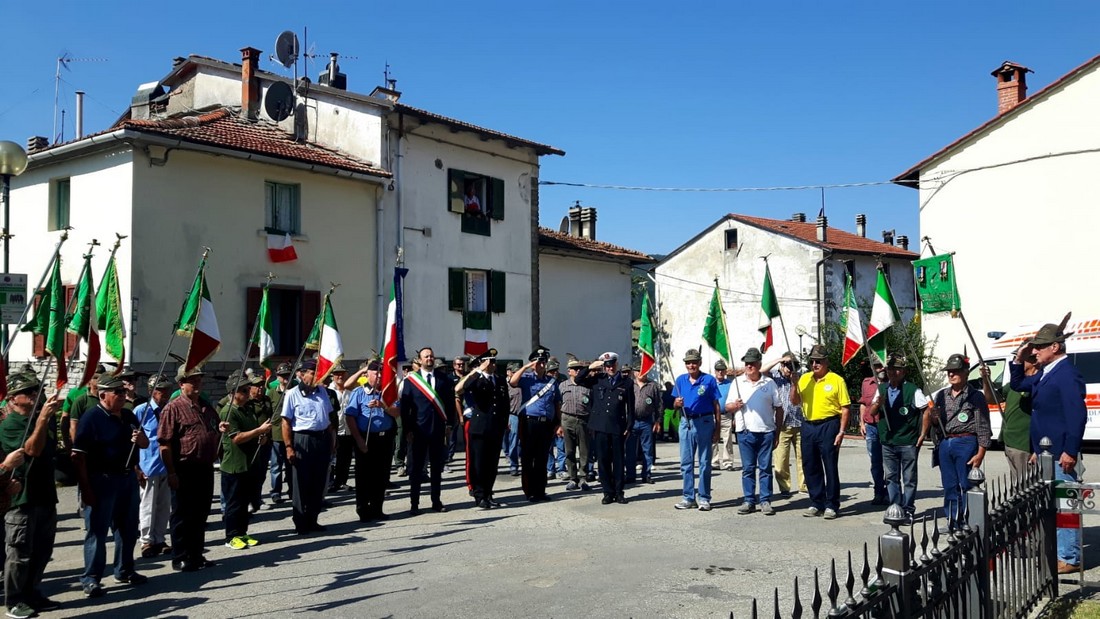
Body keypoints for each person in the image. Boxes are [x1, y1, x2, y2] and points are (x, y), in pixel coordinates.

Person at [1010, 323, 1087, 574]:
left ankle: (1070, 557)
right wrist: (1017, 358)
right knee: (1055, 505)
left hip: (1061, 453)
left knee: (1066, 507)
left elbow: (1077, 415)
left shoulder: (1066, 373)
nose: (1036, 351)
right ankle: (1061, 552)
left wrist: (1070, 451)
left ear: (1055, 347)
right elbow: (1019, 384)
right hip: (1045, 453)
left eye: (1040, 346)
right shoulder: (1046, 372)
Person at [72, 373, 150, 597]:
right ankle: (91, 578)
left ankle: (125, 570)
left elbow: (143, 444)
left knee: (127, 529)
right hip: (102, 480)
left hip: (127, 479)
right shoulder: (91, 418)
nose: (123, 396)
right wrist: (86, 488)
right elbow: (78, 456)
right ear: (103, 394)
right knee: (97, 531)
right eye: (118, 392)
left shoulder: (127, 415)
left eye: (124, 392)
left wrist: (140, 439)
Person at [1, 374, 60, 618]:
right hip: (22, 499)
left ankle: (32, 592)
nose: (36, 394)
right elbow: (32, 450)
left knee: (42, 550)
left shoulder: (37, 420)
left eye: (37, 390)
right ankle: (14, 600)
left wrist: (43, 418)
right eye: (29, 392)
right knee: (19, 554)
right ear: (14, 398)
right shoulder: (10, 424)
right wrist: (44, 417)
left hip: (45, 494)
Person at [158, 366, 224, 572]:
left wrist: (220, 429)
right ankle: (180, 556)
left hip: (204, 466)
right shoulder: (173, 408)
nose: (197, 384)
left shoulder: (205, 405)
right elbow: (165, 443)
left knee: (201, 513)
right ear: (181, 384)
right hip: (184, 467)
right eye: (192, 381)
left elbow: (214, 426)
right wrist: (171, 472)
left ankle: (196, 553)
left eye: (199, 380)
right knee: (182, 514)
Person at [924, 353, 991, 531]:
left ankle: (969, 519)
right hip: (946, 442)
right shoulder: (941, 395)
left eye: (955, 371)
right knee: (949, 485)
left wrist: (981, 451)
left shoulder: (975, 396)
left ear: (966, 372)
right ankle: (953, 519)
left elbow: (983, 424)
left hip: (966, 440)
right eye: (949, 372)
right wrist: (934, 417)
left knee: (966, 483)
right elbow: (936, 426)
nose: (951, 375)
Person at [789, 345, 850, 520]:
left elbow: (845, 408)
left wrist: (841, 431)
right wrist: (794, 384)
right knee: (810, 464)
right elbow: (794, 402)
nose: (814, 364)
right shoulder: (805, 378)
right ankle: (816, 501)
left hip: (828, 425)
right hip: (808, 425)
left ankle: (832, 504)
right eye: (812, 361)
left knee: (830, 465)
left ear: (826, 362)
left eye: (818, 361)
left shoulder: (836, 380)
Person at [868, 354, 928, 519]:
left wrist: (922, 434)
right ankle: (895, 508)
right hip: (888, 441)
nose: (894, 372)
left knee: (909, 478)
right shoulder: (882, 389)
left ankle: (908, 509)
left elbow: (926, 410)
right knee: (891, 478)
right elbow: (872, 413)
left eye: (897, 369)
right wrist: (878, 404)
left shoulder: (912, 390)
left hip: (908, 441)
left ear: (904, 371)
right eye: (890, 369)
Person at [726, 348, 783, 516]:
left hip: (766, 432)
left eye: (752, 363)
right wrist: (734, 406)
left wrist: (777, 433)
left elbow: (779, 409)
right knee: (748, 468)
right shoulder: (737, 383)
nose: (749, 366)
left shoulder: (769, 383)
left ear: (759, 364)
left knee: (765, 468)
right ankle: (749, 500)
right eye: (747, 363)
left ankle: (765, 500)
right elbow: (727, 407)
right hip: (745, 432)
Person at [401, 347, 457, 515]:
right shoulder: (411, 381)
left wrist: (449, 425)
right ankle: (414, 503)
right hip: (418, 431)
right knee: (416, 469)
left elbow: (450, 404)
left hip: (438, 431)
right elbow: (405, 408)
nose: (430, 359)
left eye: (432, 356)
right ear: (419, 360)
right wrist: (408, 429)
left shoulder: (444, 379)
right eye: (426, 356)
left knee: (436, 469)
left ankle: (436, 501)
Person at [219, 372, 271, 549]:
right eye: (244, 390)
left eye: (248, 389)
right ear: (233, 393)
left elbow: (252, 431)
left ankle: (242, 532)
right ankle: (231, 536)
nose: (248, 392)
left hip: (249, 463)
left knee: (244, 503)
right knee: (234, 504)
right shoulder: (228, 412)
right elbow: (237, 437)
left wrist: (260, 437)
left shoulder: (247, 408)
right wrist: (259, 431)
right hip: (234, 464)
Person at [282, 359, 334, 533]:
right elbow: (286, 423)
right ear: (302, 374)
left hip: (322, 439)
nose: (316, 376)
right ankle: (301, 522)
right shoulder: (292, 394)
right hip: (303, 439)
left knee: (318, 482)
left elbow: (327, 419)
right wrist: (289, 447)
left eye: (317, 372)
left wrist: (332, 441)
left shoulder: (322, 392)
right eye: (312, 372)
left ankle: (313, 519)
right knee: (301, 483)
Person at [575, 352, 635, 505]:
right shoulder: (597, 380)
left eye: (612, 364)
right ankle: (607, 492)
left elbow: (631, 407)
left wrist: (629, 426)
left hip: (618, 426)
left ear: (617, 364)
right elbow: (578, 379)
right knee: (603, 461)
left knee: (619, 461)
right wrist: (590, 367)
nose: (610, 368)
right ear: (604, 366)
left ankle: (619, 492)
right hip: (600, 426)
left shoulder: (626, 382)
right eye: (607, 365)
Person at [344, 360, 400, 521]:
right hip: (366, 438)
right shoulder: (359, 392)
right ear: (367, 374)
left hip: (385, 438)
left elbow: (396, 413)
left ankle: (377, 508)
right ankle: (363, 509)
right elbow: (350, 417)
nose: (380, 376)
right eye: (376, 373)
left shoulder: (388, 392)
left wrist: (383, 406)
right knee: (364, 476)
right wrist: (359, 440)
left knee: (381, 475)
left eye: (381, 373)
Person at [455, 349, 510, 509]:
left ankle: (488, 493)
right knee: (479, 463)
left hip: (495, 427)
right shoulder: (476, 379)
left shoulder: (499, 380)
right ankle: (479, 496)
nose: (493, 364)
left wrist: (504, 422)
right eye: (490, 361)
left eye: (494, 361)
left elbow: (504, 402)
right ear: (483, 362)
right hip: (479, 427)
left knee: (492, 464)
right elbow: (459, 389)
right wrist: (478, 370)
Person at [670, 349, 721, 511]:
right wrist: (676, 404)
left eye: (694, 362)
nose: (691, 365)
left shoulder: (709, 380)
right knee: (686, 463)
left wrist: (717, 428)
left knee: (705, 462)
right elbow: (673, 405)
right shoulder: (680, 380)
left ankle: (704, 498)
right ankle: (688, 497)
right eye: (688, 362)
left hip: (704, 421)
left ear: (700, 363)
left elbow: (716, 405)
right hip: (686, 422)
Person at [509, 347, 561, 502]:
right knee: (527, 457)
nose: (542, 365)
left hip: (546, 424)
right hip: (529, 422)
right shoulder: (526, 378)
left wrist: (558, 423)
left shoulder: (552, 382)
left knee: (542, 458)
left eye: (544, 362)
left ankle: (540, 490)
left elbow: (557, 403)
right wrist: (526, 367)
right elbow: (512, 382)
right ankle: (529, 491)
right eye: (539, 362)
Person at [135, 374, 173, 558]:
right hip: (148, 464)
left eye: (167, 389)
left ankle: (160, 538)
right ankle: (146, 540)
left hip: (167, 464)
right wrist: (137, 467)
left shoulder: (171, 409)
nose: (164, 393)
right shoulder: (141, 411)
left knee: (164, 505)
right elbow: (134, 440)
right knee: (148, 505)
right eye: (160, 390)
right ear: (151, 392)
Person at [982, 356, 1035, 482]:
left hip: (1024, 442)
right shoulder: (1014, 384)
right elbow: (992, 399)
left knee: (1027, 486)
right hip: (1010, 441)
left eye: (1021, 358)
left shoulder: (1036, 382)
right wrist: (986, 379)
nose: (1017, 361)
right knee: (1018, 485)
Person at [764, 353, 805, 497]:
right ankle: (784, 487)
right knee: (781, 459)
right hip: (782, 424)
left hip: (799, 422)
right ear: (782, 365)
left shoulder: (800, 376)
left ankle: (804, 486)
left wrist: (796, 380)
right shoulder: (775, 376)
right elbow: (761, 371)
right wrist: (779, 360)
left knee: (803, 457)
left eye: (793, 365)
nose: (790, 369)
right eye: (787, 365)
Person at [558, 358, 592, 490]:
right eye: (575, 369)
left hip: (583, 419)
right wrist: (559, 425)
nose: (578, 371)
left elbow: (592, 405)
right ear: (569, 371)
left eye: (580, 369)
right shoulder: (563, 385)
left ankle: (583, 478)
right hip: (567, 419)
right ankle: (573, 478)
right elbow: (558, 404)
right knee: (569, 451)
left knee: (584, 451)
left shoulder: (587, 386)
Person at [859, 361, 888, 506]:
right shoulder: (866, 383)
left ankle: (890, 492)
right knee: (875, 462)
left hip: (887, 427)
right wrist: (862, 423)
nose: (880, 368)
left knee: (889, 462)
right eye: (877, 366)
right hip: (871, 426)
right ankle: (878, 492)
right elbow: (863, 404)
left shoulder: (893, 383)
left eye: (882, 365)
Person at [626, 364, 661, 485]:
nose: (642, 373)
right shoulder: (629, 385)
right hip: (632, 421)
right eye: (639, 371)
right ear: (634, 373)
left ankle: (646, 475)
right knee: (630, 450)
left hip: (647, 421)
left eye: (644, 371)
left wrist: (657, 421)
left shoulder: (653, 386)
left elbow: (658, 405)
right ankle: (630, 475)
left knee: (648, 449)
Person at [267, 363, 294, 505]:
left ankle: (292, 490)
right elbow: (268, 413)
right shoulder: (272, 393)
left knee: (291, 464)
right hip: (276, 434)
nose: (285, 378)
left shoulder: (295, 391)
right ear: (278, 377)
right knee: (276, 465)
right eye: (283, 376)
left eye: (288, 375)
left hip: (292, 433)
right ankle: (276, 492)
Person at [329, 363, 354, 493]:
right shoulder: (329, 391)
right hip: (334, 430)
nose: (340, 376)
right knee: (332, 459)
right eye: (337, 374)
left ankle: (341, 481)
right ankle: (330, 482)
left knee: (345, 458)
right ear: (332, 376)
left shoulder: (350, 392)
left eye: (342, 373)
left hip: (348, 430)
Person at [711, 360, 737, 471]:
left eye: (722, 370)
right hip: (712, 415)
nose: (720, 372)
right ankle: (714, 462)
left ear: (726, 371)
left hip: (726, 415)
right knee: (713, 439)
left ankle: (728, 462)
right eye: (718, 370)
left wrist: (735, 416)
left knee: (727, 439)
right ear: (715, 371)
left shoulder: (730, 384)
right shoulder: (710, 383)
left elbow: (734, 400)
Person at [502, 362, 522, 477]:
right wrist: (506, 419)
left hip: (525, 416)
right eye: (515, 372)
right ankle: (514, 465)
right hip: (513, 416)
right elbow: (504, 404)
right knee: (513, 442)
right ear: (510, 373)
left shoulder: (524, 384)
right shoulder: (506, 386)